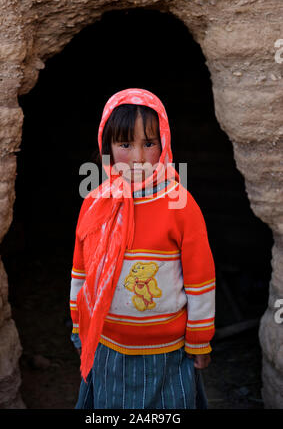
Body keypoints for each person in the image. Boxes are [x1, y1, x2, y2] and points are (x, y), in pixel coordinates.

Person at [69, 88, 215, 409]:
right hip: (107, 347)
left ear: (163, 143)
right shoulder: (95, 204)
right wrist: (80, 327)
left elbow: (200, 278)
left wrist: (199, 340)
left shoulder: (180, 203)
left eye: (149, 143)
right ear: (106, 147)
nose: (137, 158)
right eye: (125, 144)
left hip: (168, 351)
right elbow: (82, 270)